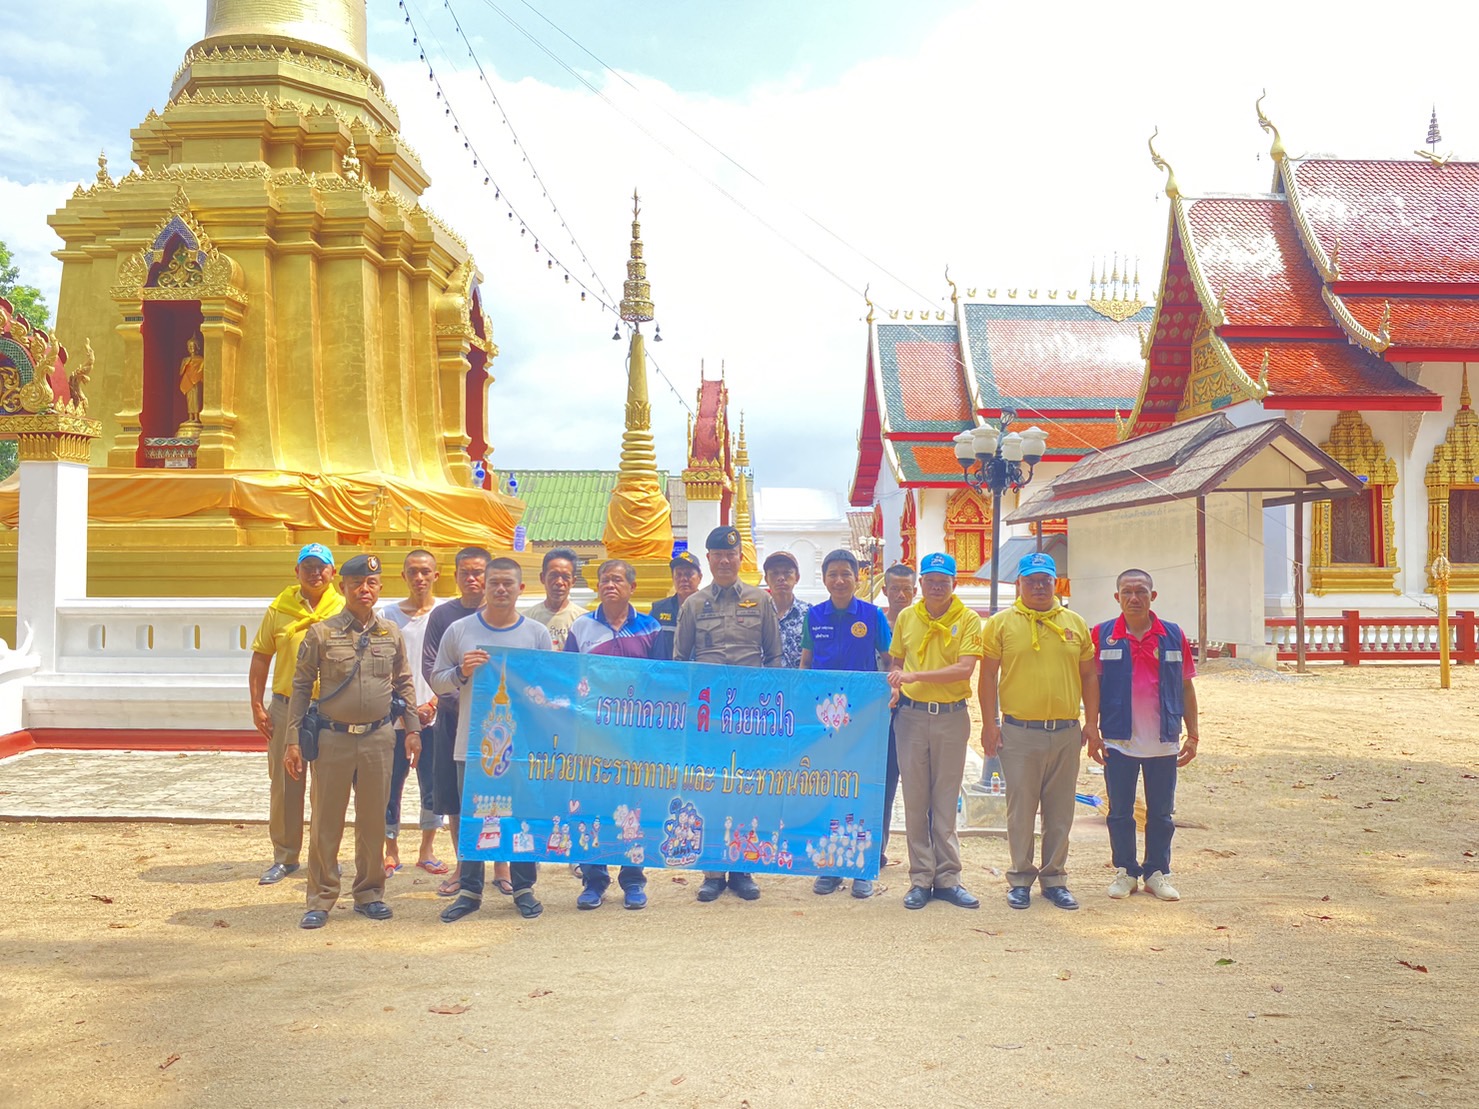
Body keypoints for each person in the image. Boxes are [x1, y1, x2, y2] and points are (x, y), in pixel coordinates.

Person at [284, 554, 420, 929]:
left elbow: (404, 681)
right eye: (357, 583)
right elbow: (300, 687)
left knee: (374, 821)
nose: (364, 589)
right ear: (342, 587)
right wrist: (292, 739)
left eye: (372, 583)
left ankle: (369, 893)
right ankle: (321, 897)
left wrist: (412, 729)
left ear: (380, 588)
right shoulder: (321, 634)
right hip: (334, 739)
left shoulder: (390, 633)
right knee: (326, 822)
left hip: (378, 738)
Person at [432, 557, 552, 923]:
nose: (500, 589)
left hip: (521, 747)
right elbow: (437, 680)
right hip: (473, 746)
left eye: (507, 583)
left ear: (521, 589)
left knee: (521, 816)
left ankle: (524, 887)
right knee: (474, 816)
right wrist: (461, 671)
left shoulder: (536, 634)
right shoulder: (460, 631)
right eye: (494, 583)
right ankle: (470, 890)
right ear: (483, 587)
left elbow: (549, 688)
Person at [979, 552, 1099, 912]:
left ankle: (1054, 879)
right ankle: (1020, 878)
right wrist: (989, 723)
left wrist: (1091, 723)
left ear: (1054, 582)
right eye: (1031, 581)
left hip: (1065, 732)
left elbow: (1089, 676)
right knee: (1020, 810)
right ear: (1019, 584)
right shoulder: (1001, 624)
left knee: (1060, 811)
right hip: (1020, 733)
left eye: (1045, 580)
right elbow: (988, 675)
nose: (1038, 587)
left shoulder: (1075, 623)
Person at [674, 525, 782, 902]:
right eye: (717, 554)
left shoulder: (761, 601)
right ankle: (712, 871)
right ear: (708, 559)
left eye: (730, 555)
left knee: (747, 789)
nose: (724, 560)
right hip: (710, 718)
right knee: (710, 787)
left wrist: (769, 705)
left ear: (740, 558)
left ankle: (742, 868)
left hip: (750, 716)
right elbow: (680, 661)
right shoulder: (693, 605)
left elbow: (774, 657)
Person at [1088, 568, 1200, 901]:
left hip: (1163, 741)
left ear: (1153, 596)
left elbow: (1186, 686)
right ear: (1117, 597)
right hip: (1118, 739)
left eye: (1141, 592)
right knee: (1120, 812)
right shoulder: (1103, 634)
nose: (1134, 598)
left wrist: (1193, 735)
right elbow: (1092, 684)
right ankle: (1126, 871)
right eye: (1127, 592)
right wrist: (1092, 729)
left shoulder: (1173, 635)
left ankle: (1156, 873)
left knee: (1161, 814)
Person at [563, 559, 663, 910]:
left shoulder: (651, 628)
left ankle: (633, 879)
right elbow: (568, 676)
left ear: (632, 587)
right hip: (593, 736)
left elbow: (661, 681)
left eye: (617, 580)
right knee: (592, 804)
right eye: (605, 579)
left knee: (634, 805)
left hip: (636, 738)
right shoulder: (582, 627)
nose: (610, 585)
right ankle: (594, 879)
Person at [887, 553, 982, 910]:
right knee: (915, 800)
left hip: (951, 717)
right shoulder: (907, 618)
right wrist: (896, 685)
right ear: (921, 585)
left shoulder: (968, 619)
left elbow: (964, 669)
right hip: (911, 717)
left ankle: (948, 878)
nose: (937, 587)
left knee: (945, 800)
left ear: (954, 584)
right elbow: (896, 661)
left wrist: (915, 676)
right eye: (931, 580)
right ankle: (920, 878)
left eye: (944, 581)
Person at [247, 543, 344, 886]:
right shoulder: (280, 608)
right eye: (308, 567)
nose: (315, 573)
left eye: (321, 567)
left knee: (328, 787)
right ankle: (285, 856)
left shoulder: (344, 608)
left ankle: (325, 855)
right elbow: (262, 656)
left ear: (333, 572)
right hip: (287, 707)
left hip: (330, 708)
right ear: (297, 571)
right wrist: (257, 705)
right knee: (286, 785)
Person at [421, 547, 511, 898]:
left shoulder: (505, 616)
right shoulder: (445, 617)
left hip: (501, 725)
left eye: (479, 573)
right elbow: (433, 669)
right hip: (453, 720)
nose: (472, 579)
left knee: (500, 794)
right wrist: (467, 707)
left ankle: (502, 865)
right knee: (455, 797)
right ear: (455, 576)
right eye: (465, 573)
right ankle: (463, 865)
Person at [802, 549, 891, 899]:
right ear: (824, 579)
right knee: (829, 789)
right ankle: (831, 866)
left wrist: (884, 699)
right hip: (824, 722)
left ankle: (862, 868)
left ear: (858, 578)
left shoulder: (872, 616)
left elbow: (889, 661)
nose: (839, 580)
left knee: (862, 790)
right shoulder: (814, 616)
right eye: (833, 574)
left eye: (846, 574)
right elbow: (806, 664)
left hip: (863, 721)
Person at [378, 549, 448, 878]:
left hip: (435, 714)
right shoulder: (387, 615)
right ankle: (390, 850)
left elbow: (452, 665)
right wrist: (406, 709)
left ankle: (427, 849)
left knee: (432, 785)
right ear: (403, 576)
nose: (419, 578)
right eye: (413, 572)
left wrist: (433, 703)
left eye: (425, 571)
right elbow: (381, 665)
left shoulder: (446, 614)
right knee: (390, 784)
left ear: (436, 575)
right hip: (394, 716)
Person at [879, 563, 917, 867]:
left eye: (907, 589)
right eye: (895, 589)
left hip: (916, 712)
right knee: (883, 784)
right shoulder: (873, 622)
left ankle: (925, 858)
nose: (901, 595)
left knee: (919, 788)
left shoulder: (922, 622)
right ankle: (875, 850)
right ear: (885, 590)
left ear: (915, 591)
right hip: (879, 716)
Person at [525, 547, 586, 651]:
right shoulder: (527, 619)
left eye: (565, 577)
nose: (559, 582)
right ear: (542, 578)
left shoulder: (584, 620)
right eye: (553, 575)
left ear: (573, 581)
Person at [649, 550, 703, 661]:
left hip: (699, 670)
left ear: (700, 577)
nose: (683, 579)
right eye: (678, 575)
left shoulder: (710, 607)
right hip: (667, 670)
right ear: (673, 578)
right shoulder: (658, 609)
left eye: (688, 574)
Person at [764, 550, 805, 669]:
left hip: (798, 680)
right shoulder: (759, 614)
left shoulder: (809, 614)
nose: (781, 578)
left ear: (797, 577)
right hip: (765, 679)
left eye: (787, 573)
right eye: (774, 573)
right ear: (766, 579)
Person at [178, 336, 204, 424]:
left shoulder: (200, 359)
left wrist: (196, 377)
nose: (191, 348)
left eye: (193, 346)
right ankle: (190, 417)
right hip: (188, 381)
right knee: (189, 400)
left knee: (196, 399)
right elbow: (181, 372)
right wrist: (185, 364)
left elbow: (202, 371)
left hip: (196, 381)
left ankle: (196, 417)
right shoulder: (185, 359)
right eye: (189, 346)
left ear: (197, 347)